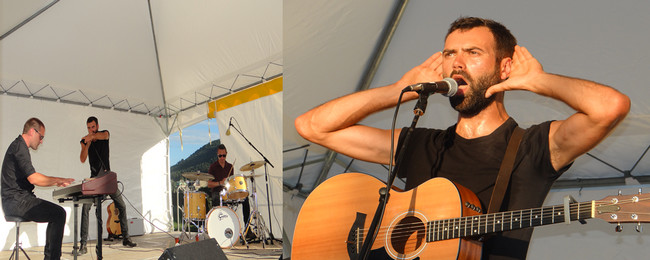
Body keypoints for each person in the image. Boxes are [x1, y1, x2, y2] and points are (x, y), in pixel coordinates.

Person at [295, 17, 630, 259]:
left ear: (504, 68)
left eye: (472, 53)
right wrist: (396, 91)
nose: (456, 64)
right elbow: (312, 126)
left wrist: (540, 82)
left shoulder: (535, 146)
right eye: (449, 54)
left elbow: (611, 107)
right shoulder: (421, 142)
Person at [1, 117, 75, 260]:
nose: (41, 141)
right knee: (58, 214)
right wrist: (57, 180)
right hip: (16, 202)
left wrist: (56, 181)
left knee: (55, 213)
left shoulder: (19, 146)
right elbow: (33, 178)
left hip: (17, 200)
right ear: (32, 131)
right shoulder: (19, 148)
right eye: (41, 137)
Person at [77, 116, 136, 255]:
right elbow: (82, 158)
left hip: (107, 176)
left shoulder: (104, 133)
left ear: (97, 126)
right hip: (94, 179)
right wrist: (87, 144)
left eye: (92, 127)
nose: (91, 130)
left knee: (121, 205)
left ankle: (126, 238)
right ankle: (83, 245)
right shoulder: (85, 140)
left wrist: (91, 137)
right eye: (88, 128)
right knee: (85, 208)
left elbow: (103, 135)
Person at [207, 144, 251, 235]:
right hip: (217, 192)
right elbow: (209, 184)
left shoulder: (230, 166)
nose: (222, 157)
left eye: (224, 155)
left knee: (245, 199)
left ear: (226, 154)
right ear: (217, 155)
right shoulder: (213, 167)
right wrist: (220, 183)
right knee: (215, 198)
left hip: (227, 192)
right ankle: (218, 229)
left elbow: (232, 183)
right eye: (220, 156)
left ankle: (248, 229)